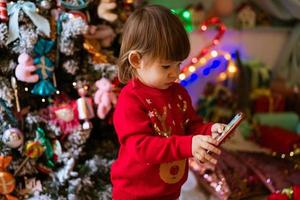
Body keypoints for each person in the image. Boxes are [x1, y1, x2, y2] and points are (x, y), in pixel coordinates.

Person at [111, 5, 226, 200]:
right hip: (134, 193)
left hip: (169, 190)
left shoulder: (178, 93)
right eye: (166, 66)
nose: (175, 73)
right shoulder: (130, 98)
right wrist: (188, 145)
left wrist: (209, 131)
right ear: (136, 60)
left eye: (178, 64)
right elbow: (141, 147)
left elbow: (192, 126)